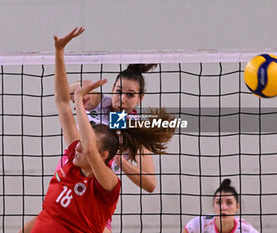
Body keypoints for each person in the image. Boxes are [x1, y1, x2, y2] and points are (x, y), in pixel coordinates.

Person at [19, 27, 175, 233]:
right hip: (68, 181)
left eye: (130, 95)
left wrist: (120, 162)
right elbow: (62, 99)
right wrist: (78, 89)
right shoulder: (97, 102)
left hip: (95, 194)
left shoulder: (134, 130)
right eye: (119, 91)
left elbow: (150, 184)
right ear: (112, 89)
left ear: (140, 99)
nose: (122, 98)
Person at [182, 179, 259, 233]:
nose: (223, 207)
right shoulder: (200, 224)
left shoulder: (246, 230)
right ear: (213, 206)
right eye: (219, 202)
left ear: (237, 207)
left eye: (229, 203)